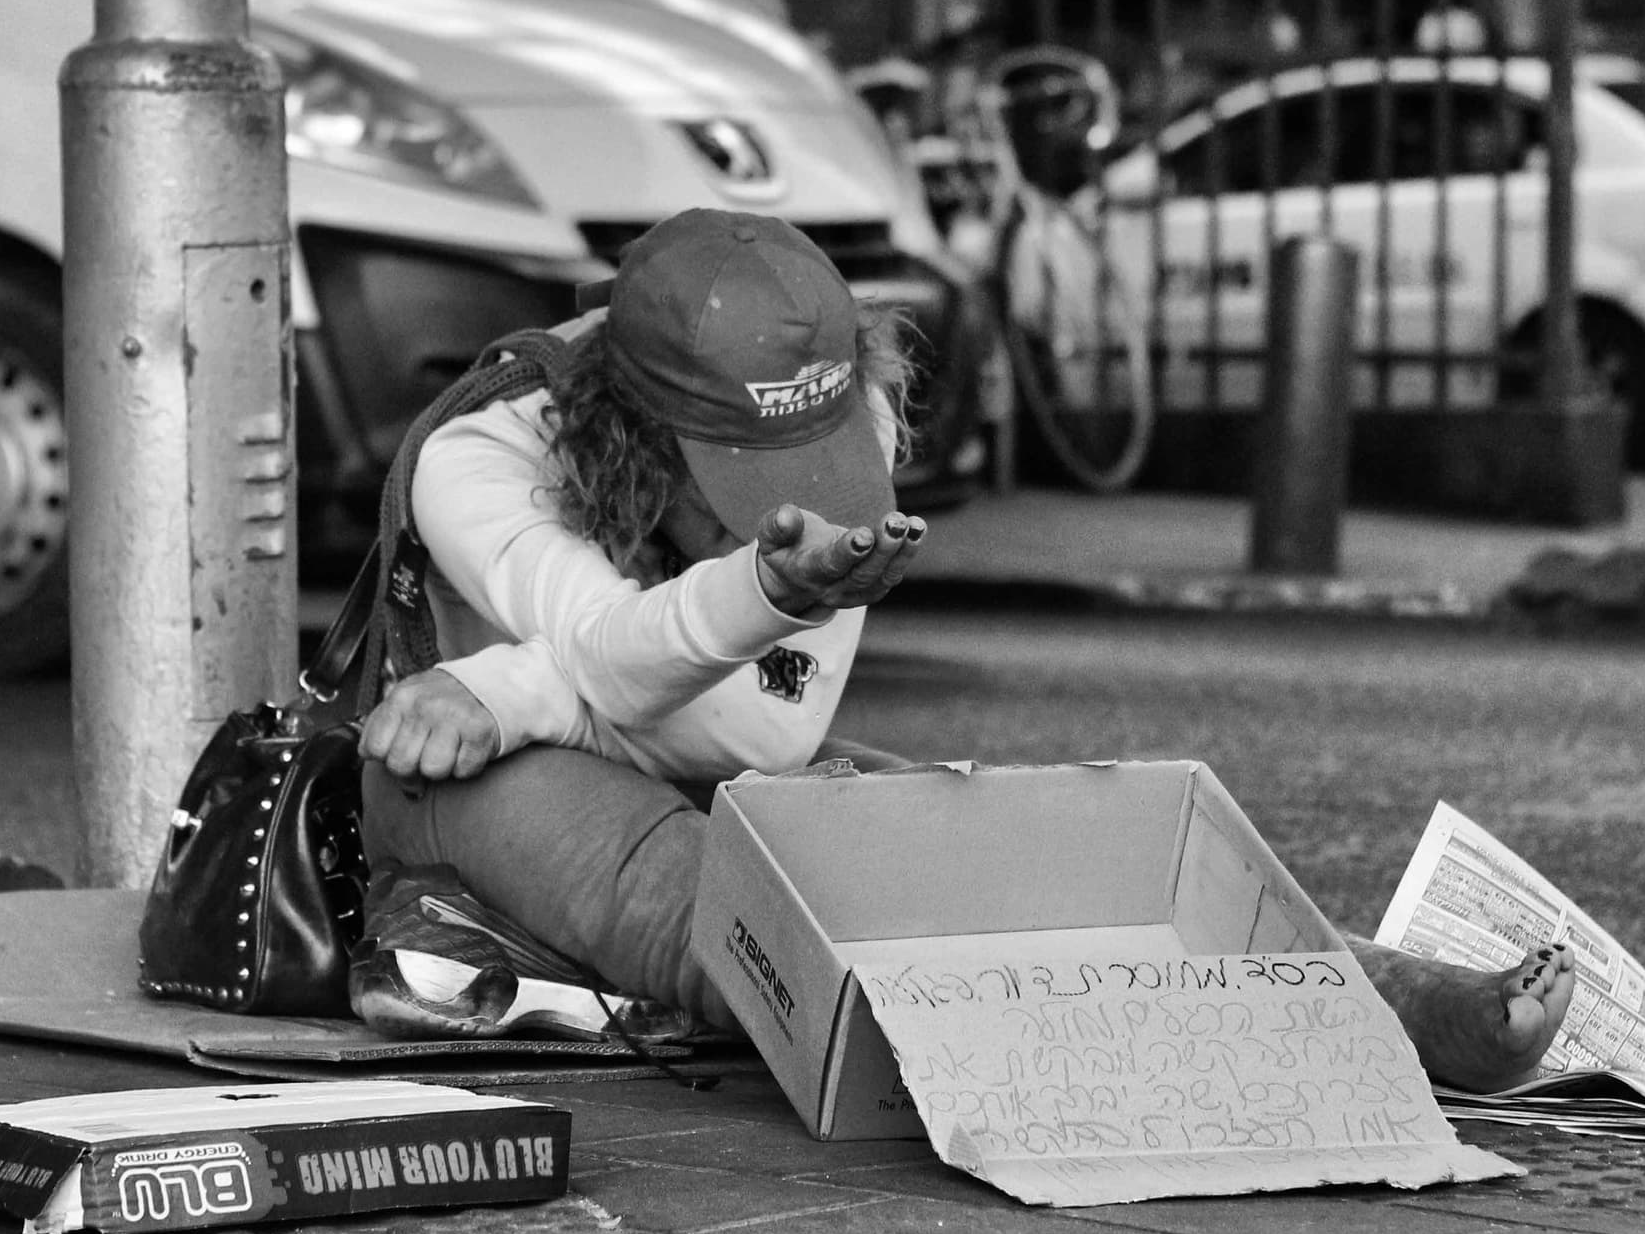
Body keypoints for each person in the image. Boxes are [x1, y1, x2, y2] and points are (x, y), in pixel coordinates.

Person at [354, 206, 1575, 1093]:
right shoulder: (481, 458)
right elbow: (620, 661)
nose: (776, 506)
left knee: (1028, 846)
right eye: (737, 479)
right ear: (630, 434)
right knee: (739, 923)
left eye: (804, 467)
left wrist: (511, 686)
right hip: (453, 784)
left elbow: (757, 727)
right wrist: (705, 617)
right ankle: (1127, 1043)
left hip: (618, 740)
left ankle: (1393, 1000)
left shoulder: (846, 401)